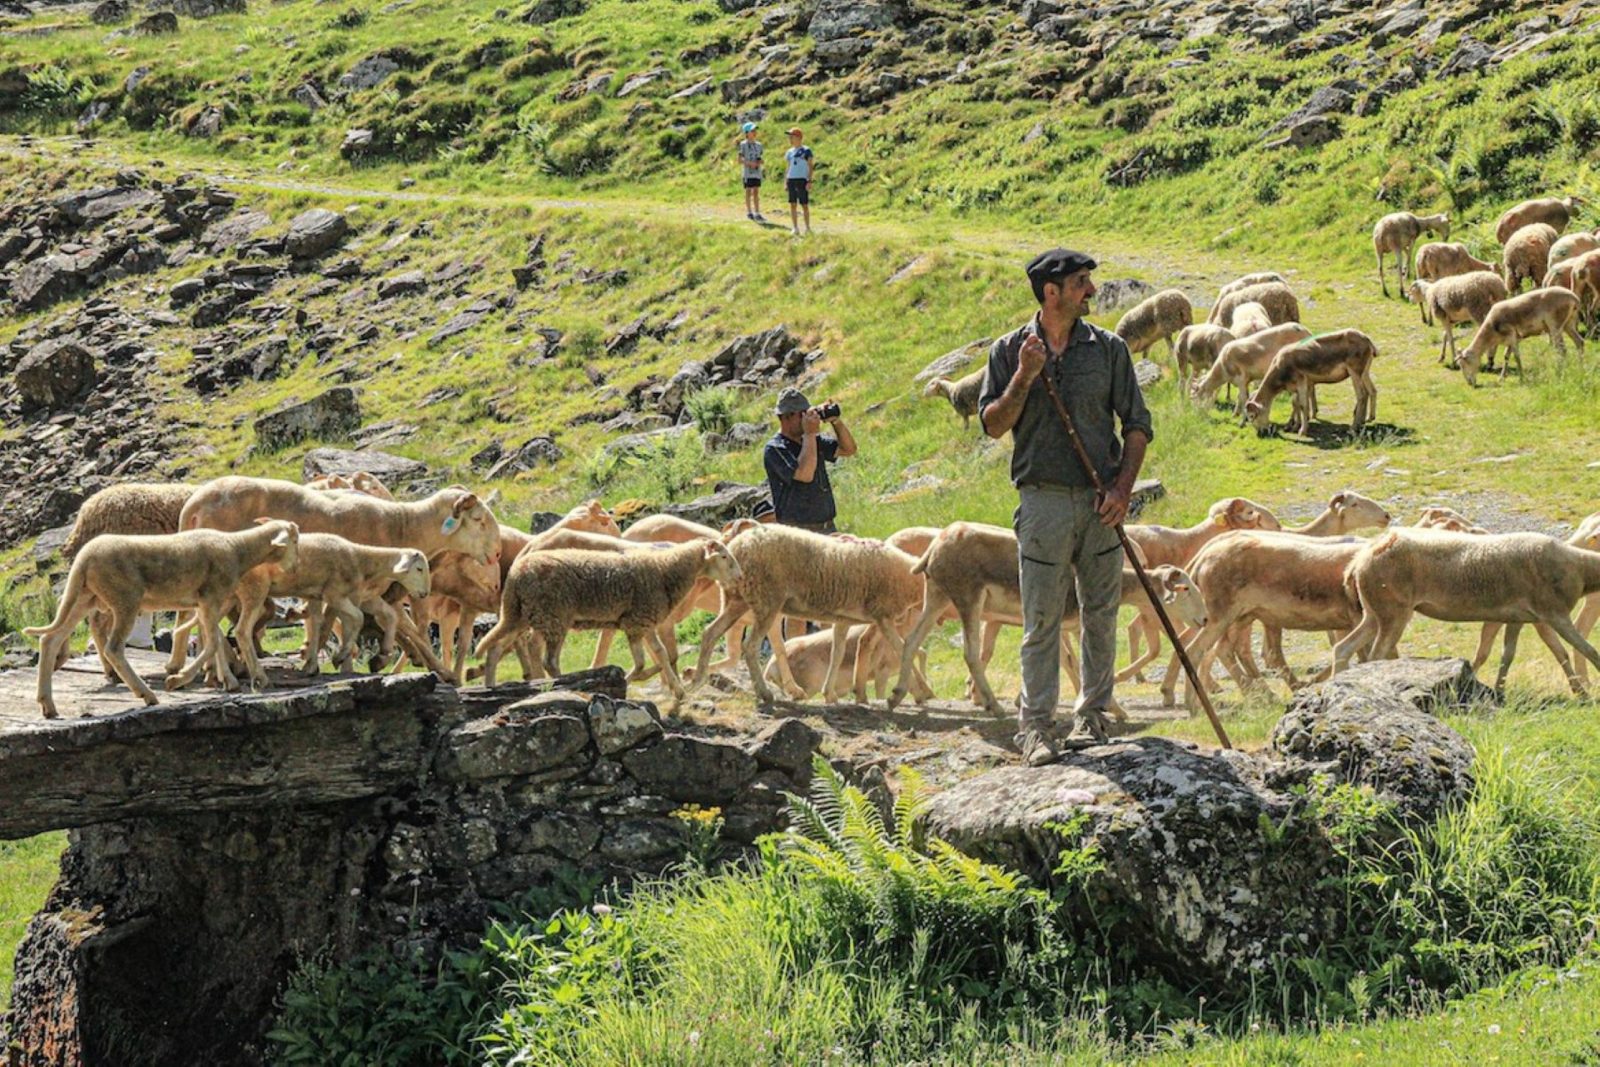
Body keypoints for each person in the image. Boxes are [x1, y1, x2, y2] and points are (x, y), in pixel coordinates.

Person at [978, 248, 1153, 767]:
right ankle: (1035, 728)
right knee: (1041, 619)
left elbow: (1137, 425)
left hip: (1103, 503)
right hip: (1043, 502)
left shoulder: (1109, 349)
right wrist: (1025, 375)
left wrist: (1123, 489)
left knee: (1101, 613)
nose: (1091, 291)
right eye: (1080, 283)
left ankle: (1092, 716)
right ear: (1051, 292)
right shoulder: (1009, 351)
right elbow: (993, 424)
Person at [763, 387, 856, 534]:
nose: (806, 419)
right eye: (802, 415)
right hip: (798, 532)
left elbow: (848, 449)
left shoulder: (812, 440)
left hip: (827, 526)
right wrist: (810, 434)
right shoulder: (775, 448)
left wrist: (835, 421)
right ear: (786, 417)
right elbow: (805, 474)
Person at [783, 127, 814, 236]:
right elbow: (788, 167)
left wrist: (809, 180)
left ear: (799, 137)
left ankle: (807, 227)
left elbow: (810, 166)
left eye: (792, 137)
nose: (790, 139)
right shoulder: (789, 152)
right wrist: (785, 181)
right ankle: (795, 227)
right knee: (793, 204)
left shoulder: (806, 150)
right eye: (790, 137)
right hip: (791, 179)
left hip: (802, 180)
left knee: (804, 204)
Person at [737, 122, 765, 221]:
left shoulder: (759, 145)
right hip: (747, 173)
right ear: (747, 133)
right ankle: (749, 212)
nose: (755, 132)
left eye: (755, 130)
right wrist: (749, 163)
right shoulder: (743, 144)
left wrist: (759, 162)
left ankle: (757, 212)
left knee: (756, 191)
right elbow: (739, 160)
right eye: (752, 131)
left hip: (757, 172)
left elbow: (760, 157)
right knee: (748, 191)